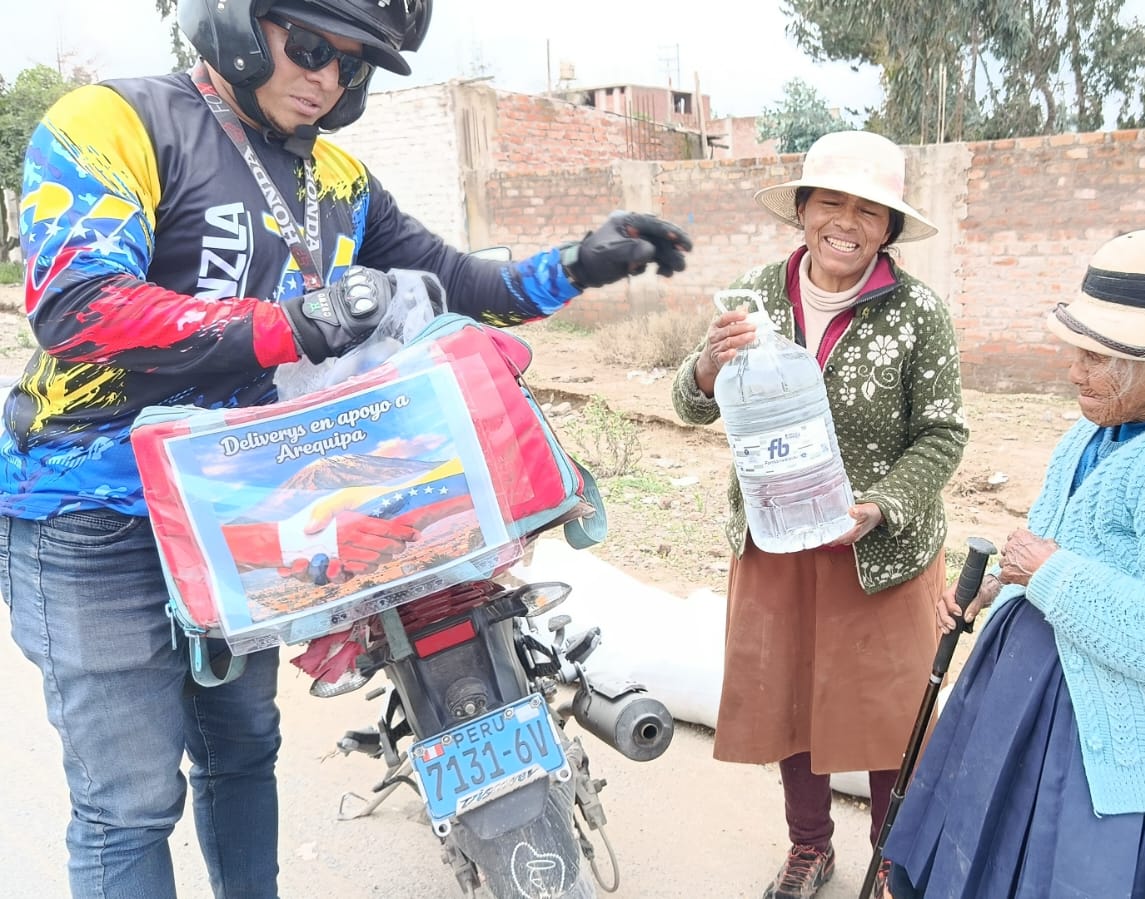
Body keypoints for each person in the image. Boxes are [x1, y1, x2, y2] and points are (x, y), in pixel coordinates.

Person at [0, 2, 690, 896]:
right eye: (313, 46)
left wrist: (581, 263)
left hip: (237, 518)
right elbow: (77, 302)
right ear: (243, 25)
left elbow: (464, 282)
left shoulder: (339, 181)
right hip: (94, 515)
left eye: (353, 65)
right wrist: (289, 324)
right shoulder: (116, 121)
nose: (328, 78)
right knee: (129, 801)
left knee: (244, 754)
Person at [882, 228, 1145, 898]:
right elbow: (1063, 535)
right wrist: (997, 584)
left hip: (1142, 772)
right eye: (1076, 345)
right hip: (1048, 721)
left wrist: (1047, 574)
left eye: (1095, 355)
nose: (1072, 368)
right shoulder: (1106, 418)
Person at [671, 130, 968, 899]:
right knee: (790, 704)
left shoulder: (917, 313)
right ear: (802, 210)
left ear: (889, 228)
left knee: (884, 716)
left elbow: (942, 432)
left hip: (878, 552)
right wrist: (707, 364)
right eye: (830, 201)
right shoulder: (753, 296)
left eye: (869, 211)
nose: (847, 221)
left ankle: (888, 860)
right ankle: (809, 847)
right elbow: (689, 400)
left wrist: (881, 507)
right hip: (775, 543)